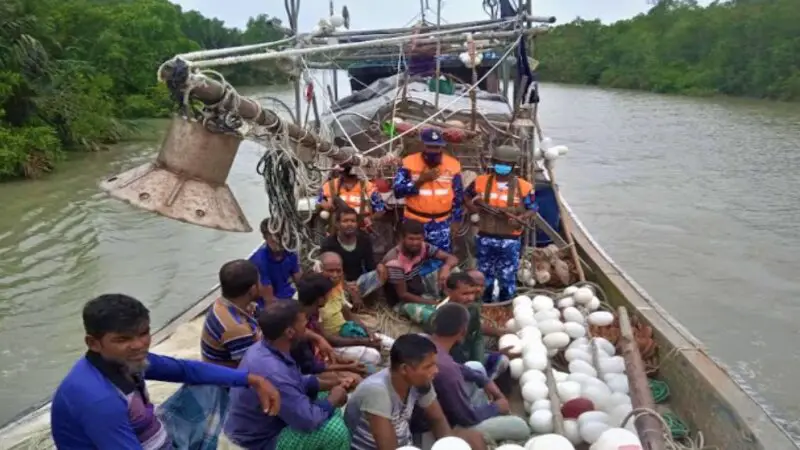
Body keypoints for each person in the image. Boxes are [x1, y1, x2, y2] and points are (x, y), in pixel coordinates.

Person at [51, 294, 279, 449]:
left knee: (211, 383)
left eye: (143, 333)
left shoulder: (127, 360)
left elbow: (186, 370)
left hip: (152, 433)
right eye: (123, 339)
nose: (139, 345)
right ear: (93, 343)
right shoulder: (99, 400)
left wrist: (251, 379)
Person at [225, 301, 352, 450]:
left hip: (262, 423)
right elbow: (308, 420)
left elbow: (294, 382)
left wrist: (333, 382)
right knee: (335, 431)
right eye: (303, 325)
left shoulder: (265, 348)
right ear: (290, 333)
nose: (306, 328)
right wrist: (333, 398)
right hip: (259, 441)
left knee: (327, 402)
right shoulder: (273, 371)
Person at [344, 333, 486, 450]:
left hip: (408, 442)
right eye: (428, 366)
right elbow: (388, 448)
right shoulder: (377, 391)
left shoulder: (420, 383)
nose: (435, 371)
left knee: (473, 438)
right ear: (405, 369)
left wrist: (447, 445)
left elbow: (437, 419)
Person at [427, 303, 530, 443]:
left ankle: (486, 412)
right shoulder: (448, 372)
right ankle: (485, 424)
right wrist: (495, 407)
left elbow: (457, 367)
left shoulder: (425, 341)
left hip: (439, 409)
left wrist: (485, 381)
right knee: (521, 427)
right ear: (462, 331)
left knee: (475, 367)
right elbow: (465, 417)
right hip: (445, 427)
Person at [465, 145, 537, 302]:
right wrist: (474, 209)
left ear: (513, 166)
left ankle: (505, 304)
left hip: (509, 239)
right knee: (484, 274)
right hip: (485, 237)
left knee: (507, 275)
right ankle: (484, 303)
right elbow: (466, 196)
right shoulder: (480, 181)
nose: (501, 167)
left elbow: (533, 208)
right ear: (493, 162)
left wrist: (522, 217)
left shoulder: (524, 186)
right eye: (499, 163)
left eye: (506, 164)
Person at [393, 127, 464, 254]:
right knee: (412, 259)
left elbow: (458, 196)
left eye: (437, 147)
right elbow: (398, 192)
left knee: (440, 260)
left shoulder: (453, 164)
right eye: (430, 146)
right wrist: (420, 181)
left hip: (442, 223)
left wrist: (456, 220)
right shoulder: (408, 162)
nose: (433, 151)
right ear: (423, 145)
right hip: (414, 222)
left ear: (442, 147)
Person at [299, 269, 383, 366]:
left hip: (328, 351)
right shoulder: (303, 320)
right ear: (320, 299)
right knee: (373, 357)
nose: (330, 296)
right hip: (323, 356)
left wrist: (368, 334)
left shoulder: (313, 313)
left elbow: (349, 315)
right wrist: (364, 342)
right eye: (328, 295)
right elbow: (327, 343)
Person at [383, 220, 458, 325]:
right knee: (433, 316)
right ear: (402, 239)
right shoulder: (394, 261)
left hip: (419, 289)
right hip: (403, 302)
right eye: (411, 239)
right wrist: (434, 303)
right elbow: (403, 295)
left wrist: (446, 268)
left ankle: (454, 301)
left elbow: (451, 258)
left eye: (418, 239)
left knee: (454, 271)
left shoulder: (424, 247)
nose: (415, 243)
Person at [318, 252, 395, 349]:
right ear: (319, 269)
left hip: (345, 331)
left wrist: (368, 332)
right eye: (330, 271)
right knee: (373, 355)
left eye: (338, 271)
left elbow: (348, 314)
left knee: (390, 343)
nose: (335, 275)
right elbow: (327, 338)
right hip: (332, 343)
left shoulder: (336, 288)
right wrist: (362, 341)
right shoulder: (314, 296)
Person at [201, 259, 262, 368]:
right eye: (259, 281)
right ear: (252, 290)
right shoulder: (237, 328)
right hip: (226, 379)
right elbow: (255, 367)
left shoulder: (222, 303)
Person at [319, 207, 387, 302]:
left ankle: (364, 299)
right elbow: (327, 273)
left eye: (353, 221)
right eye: (345, 221)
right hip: (337, 283)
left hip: (358, 282)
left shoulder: (364, 240)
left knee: (383, 270)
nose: (349, 224)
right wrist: (346, 286)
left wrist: (379, 267)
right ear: (337, 224)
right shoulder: (329, 244)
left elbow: (370, 265)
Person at [447, 271, 513, 365]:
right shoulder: (443, 318)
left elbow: (477, 339)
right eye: (465, 294)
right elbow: (444, 354)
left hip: (468, 357)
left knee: (502, 361)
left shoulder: (472, 309)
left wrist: (479, 365)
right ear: (449, 292)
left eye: (472, 293)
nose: (470, 298)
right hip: (452, 363)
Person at [317, 161, 386, 230]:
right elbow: (319, 200)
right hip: (337, 229)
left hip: (361, 228)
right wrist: (324, 203)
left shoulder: (368, 186)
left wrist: (370, 219)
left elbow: (381, 209)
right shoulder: (330, 185)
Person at [250, 218, 302, 306]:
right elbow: (269, 300)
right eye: (273, 240)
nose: (277, 242)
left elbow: (299, 280)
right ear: (265, 238)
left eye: (279, 237)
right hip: (271, 304)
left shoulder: (290, 253)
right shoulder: (260, 261)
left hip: (289, 294)